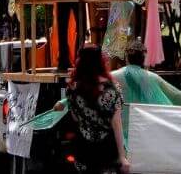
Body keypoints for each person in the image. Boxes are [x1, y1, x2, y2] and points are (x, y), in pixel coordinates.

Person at [53, 46, 129, 174]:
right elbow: (116, 124)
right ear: (100, 62)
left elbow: (76, 118)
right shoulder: (113, 89)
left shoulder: (72, 89)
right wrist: (122, 157)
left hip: (83, 150)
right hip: (107, 152)